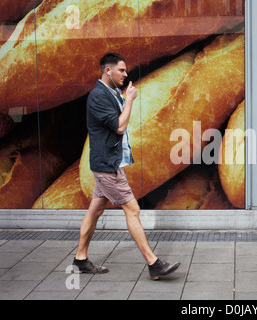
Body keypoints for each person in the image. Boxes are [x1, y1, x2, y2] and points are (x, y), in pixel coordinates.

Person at [73, 53, 181, 280]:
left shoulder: (111, 94)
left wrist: (124, 98)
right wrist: (130, 99)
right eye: (121, 70)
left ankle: (80, 259)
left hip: (110, 164)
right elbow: (119, 126)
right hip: (107, 167)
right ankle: (154, 264)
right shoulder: (98, 96)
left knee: (95, 211)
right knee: (133, 210)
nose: (125, 74)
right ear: (108, 71)